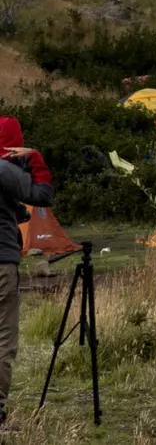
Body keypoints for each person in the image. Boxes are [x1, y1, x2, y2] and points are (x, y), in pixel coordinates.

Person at [0, 119, 54, 428]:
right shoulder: (5, 169)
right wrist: (34, 158)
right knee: (3, 341)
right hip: (2, 262)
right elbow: (43, 195)